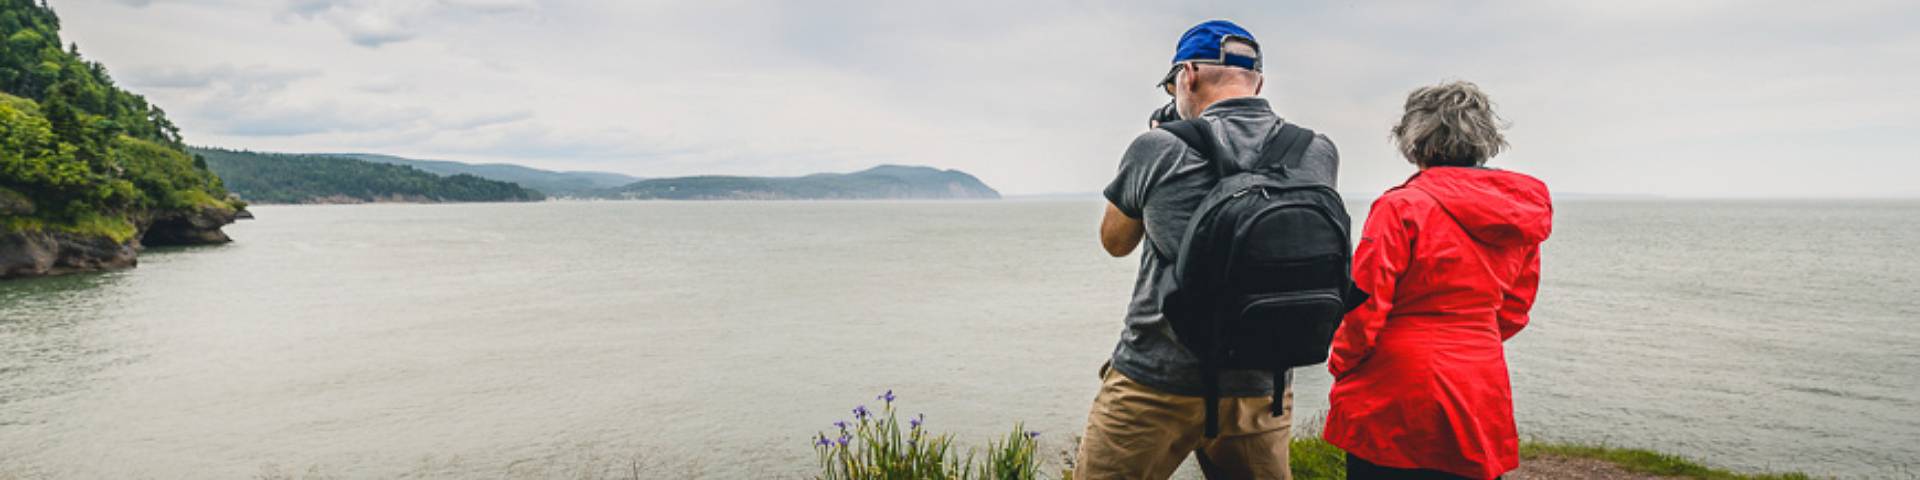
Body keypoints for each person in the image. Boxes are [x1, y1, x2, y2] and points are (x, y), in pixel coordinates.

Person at [1079, 19, 1340, 480]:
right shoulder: (1316, 150)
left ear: (1188, 75)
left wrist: (1164, 140)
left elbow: (1115, 242)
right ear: (1258, 80)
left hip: (1157, 379)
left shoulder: (1158, 147)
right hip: (1262, 384)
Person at [1322, 81, 1553, 480]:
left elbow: (1365, 304)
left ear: (1414, 139)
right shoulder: (1518, 212)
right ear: (1485, 137)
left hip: (1395, 383)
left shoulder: (1401, 206)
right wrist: (1469, 339)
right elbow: (1515, 309)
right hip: (1479, 375)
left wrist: (1343, 363)